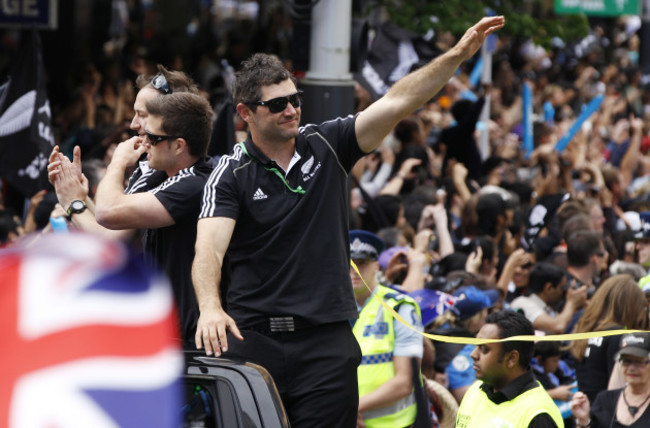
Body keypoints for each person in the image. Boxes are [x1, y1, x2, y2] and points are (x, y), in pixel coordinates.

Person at [191, 16, 505, 427]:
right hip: (255, 340)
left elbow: (398, 101)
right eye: (277, 104)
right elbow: (208, 249)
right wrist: (211, 307)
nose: (291, 109)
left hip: (327, 339)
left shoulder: (328, 143)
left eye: (295, 98)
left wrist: (457, 56)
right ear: (245, 113)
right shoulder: (229, 173)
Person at [47, 68, 210, 350]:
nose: (136, 125)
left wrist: (117, 162)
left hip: (190, 338)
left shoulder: (197, 181)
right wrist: (74, 198)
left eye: (144, 116)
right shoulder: (150, 171)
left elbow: (109, 212)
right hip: (157, 330)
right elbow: (109, 237)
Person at [348, 229, 424, 428]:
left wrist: (352, 408)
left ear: (376, 266)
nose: (355, 271)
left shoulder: (399, 307)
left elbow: (404, 382)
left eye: (361, 264)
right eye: (350, 264)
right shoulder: (330, 312)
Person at [455, 310, 563, 427]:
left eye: (484, 349)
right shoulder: (475, 391)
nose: (473, 354)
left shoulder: (538, 414)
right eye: (476, 346)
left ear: (511, 358)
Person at [569, 274, 649, 403]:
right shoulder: (618, 335)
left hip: (586, 410)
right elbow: (620, 388)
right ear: (629, 306)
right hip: (607, 413)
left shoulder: (584, 330)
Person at [571, 332, 650, 427]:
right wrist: (583, 420)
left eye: (638, 362)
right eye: (626, 361)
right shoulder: (604, 400)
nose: (631, 368)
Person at [510, 262, 587, 334]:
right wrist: (571, 303)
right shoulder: (523, 303)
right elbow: (557, 327)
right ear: (549, 288)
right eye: (562, 288)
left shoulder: (549, 309)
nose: (563, 293)